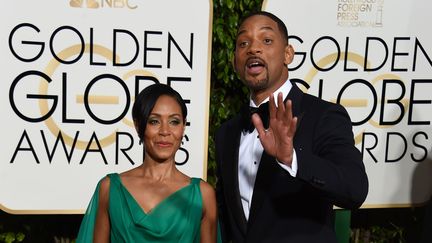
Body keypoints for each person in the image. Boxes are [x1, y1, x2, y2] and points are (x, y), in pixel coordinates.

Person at [215, 11, 369, 243]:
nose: (253, 49)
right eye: (243, 43)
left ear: (288, 54)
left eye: (266, 40)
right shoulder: (226, 132)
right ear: (235, 62)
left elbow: (354, 190)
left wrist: (292, 159)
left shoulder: (323, 116)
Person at [76, 83, 220, 242]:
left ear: (183, 127)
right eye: (154, 121)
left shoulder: (203, 195)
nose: (165, 131)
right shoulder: (110, 189)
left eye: (174, 121)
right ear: (139, 126)